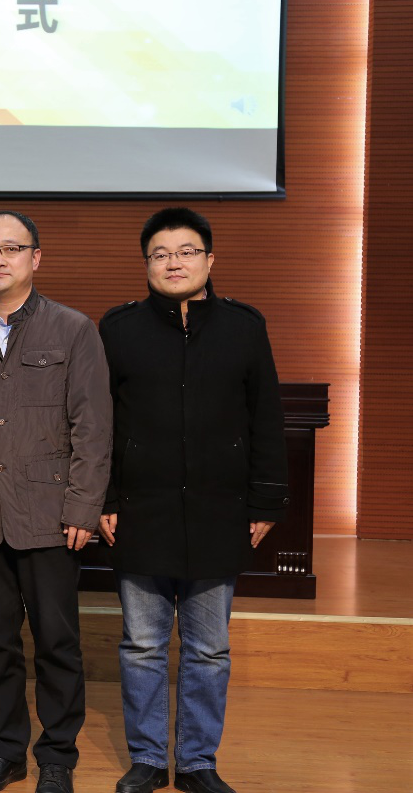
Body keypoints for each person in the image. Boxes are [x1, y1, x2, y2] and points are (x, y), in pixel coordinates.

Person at [97, 208, 288, 793]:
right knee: (142, 646)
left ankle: (199, 762)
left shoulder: (243, 327)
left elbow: (266, 417)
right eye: (160, 254)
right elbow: (99, 422)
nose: (173, 263)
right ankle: (148, 759)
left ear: (209, 259)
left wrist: (265, 502)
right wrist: (103, 497)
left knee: (209, 650)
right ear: (146, 264)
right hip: (140, 510)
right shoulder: (119, 329)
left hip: (217, 511)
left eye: (186, 251)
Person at [0, 211, 112, 793]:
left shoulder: (73, 329)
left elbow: (92, 426)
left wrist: (84, 507)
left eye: (10, 248)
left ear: (36, 257)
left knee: (57, 642)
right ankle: (5, 749)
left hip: (50, 514)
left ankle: (57, 755)